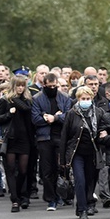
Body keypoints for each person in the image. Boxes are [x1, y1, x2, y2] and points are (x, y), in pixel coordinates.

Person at [59, 86, 105, 219]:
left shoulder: (98, 112)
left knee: (90, 181)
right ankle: (82, 209)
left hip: (92, 152)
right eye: (83, 99)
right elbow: (64, 137)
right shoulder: (72, 114)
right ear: (78, 99)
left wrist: (104, 132)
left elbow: (103, 126)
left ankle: (85, 203)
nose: (86, 101)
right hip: (76, 153)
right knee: (80, 180)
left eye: (88, 98)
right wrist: (62, 160)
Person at [31, 72, 72, 211]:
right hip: (44, 138)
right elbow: (35, 119)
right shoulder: (37, 99)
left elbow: (68, 117)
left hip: (61, 137)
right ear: (44, 85)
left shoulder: (65, 98)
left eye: (55, 86)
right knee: (47, 170)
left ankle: (62, 194)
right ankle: (51, 198)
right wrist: (46, 118)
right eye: (50, 86)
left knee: (61, 168)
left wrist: (54, 118)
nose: (52, 88)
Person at [0, 76, 35, 213]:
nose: (20, 88)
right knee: (10, 170)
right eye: (18, 86)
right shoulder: (5, 101)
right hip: (10, 139)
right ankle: (15, 200)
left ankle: (19, 193)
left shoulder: (28, 101)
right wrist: (8, 114)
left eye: (23, 86)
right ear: (13, 86)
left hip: (25, 139)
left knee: (23, 170)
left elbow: (27, 111)